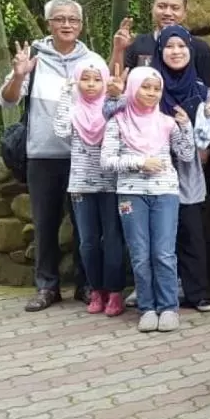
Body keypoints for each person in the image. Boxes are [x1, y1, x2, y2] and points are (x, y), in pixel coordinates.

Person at [0, 0, 103, 312]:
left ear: (81, 25)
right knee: (45, 224)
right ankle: (47, 287)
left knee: (87, 226)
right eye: (60, 19)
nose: (67, 24)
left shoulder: (94, 60)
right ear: (49, 24)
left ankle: (87, 285)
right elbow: (7, 101)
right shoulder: (34, 58)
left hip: (84, 155)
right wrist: (18, 75)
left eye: (73, 19)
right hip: (42, 155)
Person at [100, 67, 195, 333]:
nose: (152, 93)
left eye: (156, 88)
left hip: (165, 193)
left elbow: (186, 155)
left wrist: (186, 125)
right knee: (140, 255)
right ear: (133, 87)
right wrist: (140, 162)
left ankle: (168, 308)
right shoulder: (117, 122)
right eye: (146, 87)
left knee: (164, 253)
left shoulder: (166, 122)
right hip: (131, 194)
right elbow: (106, 162)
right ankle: (147, 308)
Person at [152, 25, 210, 313]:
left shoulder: (201, 90)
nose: (176, 52)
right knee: (158, 236)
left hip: (189, 175)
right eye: (169, 46)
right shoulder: (149, 85)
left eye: (182, 46)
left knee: (191, 233)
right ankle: (158, 291)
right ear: (160, 50)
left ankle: (197, 292)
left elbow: (206, 139)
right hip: (153, 173)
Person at [53, 59, 125, 317]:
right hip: (81, 184)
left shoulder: (112, 107)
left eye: (97, 79)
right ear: (77, 81)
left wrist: (118, 95)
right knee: (87, 242)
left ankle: (115, 291)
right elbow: (60, 129)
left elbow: (127, 119)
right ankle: (96, 290)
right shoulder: (73, 110)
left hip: (112, 184)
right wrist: (65, 92)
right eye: (85, 79)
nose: (91, 84)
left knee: (113, 240)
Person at [111, 0, 210, 86]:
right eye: (162, 6)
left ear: (185, 13)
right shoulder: (136, 44)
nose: (167, 13)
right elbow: (114, 82)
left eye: (175, 8)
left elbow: (208, 91)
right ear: (152, 9)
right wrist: (118, 50)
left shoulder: (200, 49)